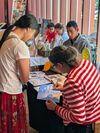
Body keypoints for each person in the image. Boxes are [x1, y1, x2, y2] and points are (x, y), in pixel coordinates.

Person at [45, 45, 100, 133]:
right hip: (95, 111)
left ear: (60, 65)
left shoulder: (72, 81)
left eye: (54, 66)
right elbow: (85, 88)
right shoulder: (86, 63)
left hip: (84, 125)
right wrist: (65, 89)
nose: (54, 68)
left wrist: (55, 108)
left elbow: (79, 118)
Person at [0, 14, 39, 133]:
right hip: (11, 92)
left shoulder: (7, 37)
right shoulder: (20, 45)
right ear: (29, 29)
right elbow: (25, 78)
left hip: (3, 89)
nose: (31, 38)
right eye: (33, 35)